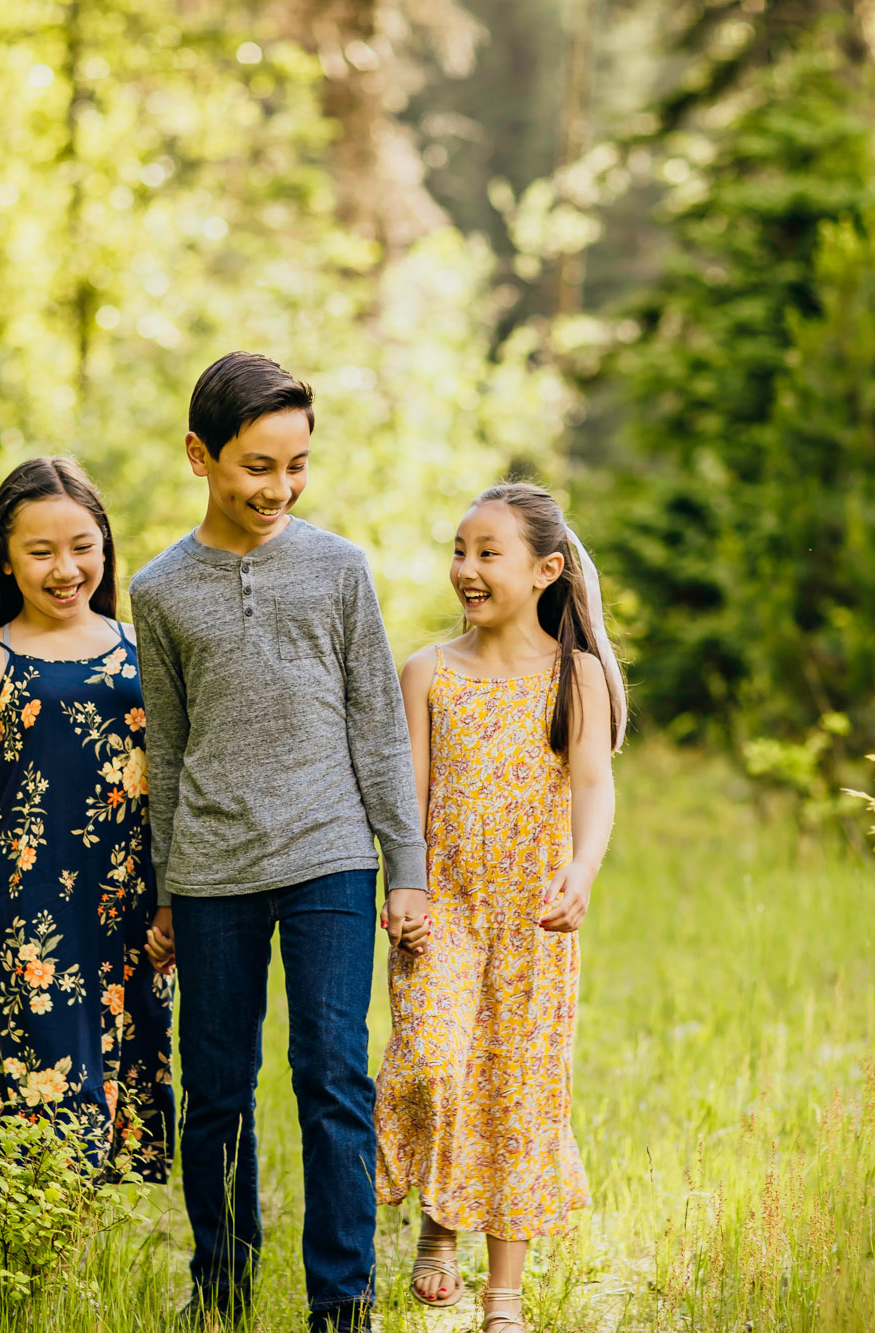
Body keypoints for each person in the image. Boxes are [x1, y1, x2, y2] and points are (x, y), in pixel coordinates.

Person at [132, 351, 427, 1333]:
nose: (278, 486)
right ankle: (218, 1292)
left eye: (295, 463)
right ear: (198, 456)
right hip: (213, 867)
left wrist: (406, 872)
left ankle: (341, 1305)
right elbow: (168, 746)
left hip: (329, 855)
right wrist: (168, 888)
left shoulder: (340, 569)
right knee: (214, 1090)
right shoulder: (160, 589)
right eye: (256, 465)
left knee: (330, 1072)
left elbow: (379, 724)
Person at [374, 482, 627, 1333]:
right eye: (460, 550)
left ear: (546, 570)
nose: (466, 569)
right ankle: (439, 1220)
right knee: (435, 1062)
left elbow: (593, 782)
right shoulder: (428, 670)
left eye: (488, 553)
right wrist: (400, 882)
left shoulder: (575, 674)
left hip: (534, 914)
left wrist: (582, 869)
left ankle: (503, 1296)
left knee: (519, 1090)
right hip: (444, 903)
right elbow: (407, 796)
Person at [0, 456, 172, 1181]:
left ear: (105, 544)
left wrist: (171, 902)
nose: (66, 568)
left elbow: (179, 782)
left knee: (124, 1077)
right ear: (5, 556)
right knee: (50, 1089)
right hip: (35, 915)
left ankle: (75, 1260)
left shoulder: (140, 651)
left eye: (82, 546)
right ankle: (41, 1259)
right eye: (41, 551)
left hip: (132, 906)